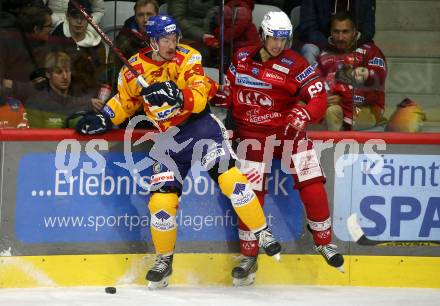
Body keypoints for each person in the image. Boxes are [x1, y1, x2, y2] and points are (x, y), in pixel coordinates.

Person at [75, 15, 281, 289]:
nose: (172, 45)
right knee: (161, 204)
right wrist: (104, 119)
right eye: (166, 40)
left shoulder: (188, 58)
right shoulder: (134, 69)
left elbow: (198, 96)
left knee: (230, 180)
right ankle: (164, 260)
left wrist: (176, 94)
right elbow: (124, 102)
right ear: (152, 41)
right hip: (170, 141)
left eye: (175, 39)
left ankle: (262, 232)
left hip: (201, 129)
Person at [212, 11, 344, 286]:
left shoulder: (296, 64)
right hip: (252, 137)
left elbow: (318, 96)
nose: (277, 45)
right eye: (273, 38)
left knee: (312, 182)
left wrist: (306, 114)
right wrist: (226, 102)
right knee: (248, 193)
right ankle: (249, 256)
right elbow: (230, 92)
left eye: (283, 39)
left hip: (289, 132)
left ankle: (324, 242)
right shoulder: (241, 58)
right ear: (262, 34)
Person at [318, 11, 387, 131]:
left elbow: (376, 86)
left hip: (366, 108)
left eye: (345, 32)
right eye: (336, 32)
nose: (340, 37)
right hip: (335, 108)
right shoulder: (324, 54)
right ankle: (335, 147)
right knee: (330, 111)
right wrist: (323, 97)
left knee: (334, 112)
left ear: (354, 31)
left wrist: (343, 99)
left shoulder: (370, 51)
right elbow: (315, 82)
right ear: (330, 32)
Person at [25, 51, 102, 128]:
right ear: (48, 74)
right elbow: (37, 137)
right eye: (59, 72)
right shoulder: (35, 103)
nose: (65, 77)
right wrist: (86, 104)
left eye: (68, 71)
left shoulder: (81, 97)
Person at [51, 0, 108, 94]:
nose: (79, 21)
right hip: (61, 97)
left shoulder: (97, 44)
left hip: (89, 96)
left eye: (83, 17)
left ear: (90, 18)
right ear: (67, 16)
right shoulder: (56, 39)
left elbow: (100, 78)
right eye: (75, 16)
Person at [0, 5, 53, 101]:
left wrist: (13, 85)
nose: (51, 29)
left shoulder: (46, 46)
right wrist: (29, 87)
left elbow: (50, 83)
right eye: (49, 26)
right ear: (36, 29)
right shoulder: (5, 43)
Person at [299, 0, 376, 65]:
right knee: (309, 50)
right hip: (322, 42)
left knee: (372, 51)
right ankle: (313, 81)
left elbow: (368, 30)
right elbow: (308, 28)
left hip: (354, 42)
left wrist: (353, 41)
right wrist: (331, 43)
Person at [111, 0, 159, 87]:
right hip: (134, 87)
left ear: (157, 15)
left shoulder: (168, 36)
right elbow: (115, 76)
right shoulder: (123, 40)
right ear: (135, 17)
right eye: (140, 15)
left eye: (149, 14)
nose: (145, 19)